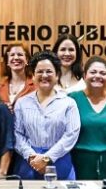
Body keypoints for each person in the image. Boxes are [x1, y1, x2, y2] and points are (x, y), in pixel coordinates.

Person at [14, 50, 80, 180]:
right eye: (39, 71)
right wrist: (32, 156)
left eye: (49, 71)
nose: (44, 75)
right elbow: (17, 134)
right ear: (33, 76)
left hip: (60, 161)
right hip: (29, 163)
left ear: (57, 75)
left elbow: (71, 135)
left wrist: (47, 158)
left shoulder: (68, 103)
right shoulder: (22, 103)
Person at [69, 56, 106, 180]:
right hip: (79, 161)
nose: (97, 76)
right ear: (84, 75)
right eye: (93, 72)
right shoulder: (73, 99)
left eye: (103, 73)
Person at [0, 43, 35, 112]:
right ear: (7, 61)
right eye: (12, 55)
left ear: (27, 59)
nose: (16, 58)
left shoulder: (36, 87)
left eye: (20, 54)